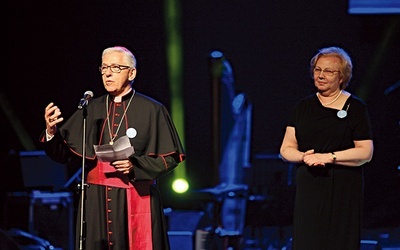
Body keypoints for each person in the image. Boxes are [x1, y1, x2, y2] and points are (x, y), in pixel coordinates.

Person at [40, 46, 185, 250]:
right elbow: (63, 154)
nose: (107, 73)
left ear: (131, 73)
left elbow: (170, 157)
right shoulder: (90, 108)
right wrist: (51, 131)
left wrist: (135, 166)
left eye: (115, 67)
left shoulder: (153, 109)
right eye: (104, 67)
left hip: (136, 195)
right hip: (95, 200)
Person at [279, 46, 374, 250]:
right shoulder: (302, 107)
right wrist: (303, 156)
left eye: (328, 71)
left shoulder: (356, 108)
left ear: (342, 77)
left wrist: (329, 157)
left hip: (343, 189)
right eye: (317, 70)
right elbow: (286, 148)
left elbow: (365, 152)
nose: (321, 75)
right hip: (309, 189)